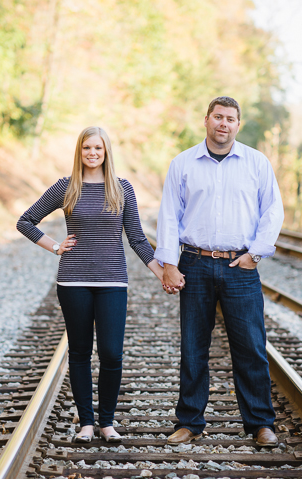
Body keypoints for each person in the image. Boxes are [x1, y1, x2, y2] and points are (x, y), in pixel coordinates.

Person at [17, 126, 165, 443]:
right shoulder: (66, 187)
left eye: (98, 148)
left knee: (112, 353)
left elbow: (137, 238)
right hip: (73, 282)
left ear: (106, 151)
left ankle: (107, 422)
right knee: (81, 351)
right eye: (87, 148)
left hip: (113, 282)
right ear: (79, 152)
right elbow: (25, 221)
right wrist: (56, 246)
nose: (92, 153)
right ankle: (86, 423)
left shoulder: (121, 189)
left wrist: (161, 272)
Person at [155, 96, 284, 446]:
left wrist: (255, 256)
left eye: (230, 119)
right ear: (207, 120)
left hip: (239, 265)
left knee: (251, 346)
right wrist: (169, 263)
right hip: (194, 263)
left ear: (238, 125)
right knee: (194, 346)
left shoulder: (256, 163)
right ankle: (189, 422)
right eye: (217, 117)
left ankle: (260, 423)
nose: (223, 124)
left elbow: (272, 212)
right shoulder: (183, 164)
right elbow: (169, 215)